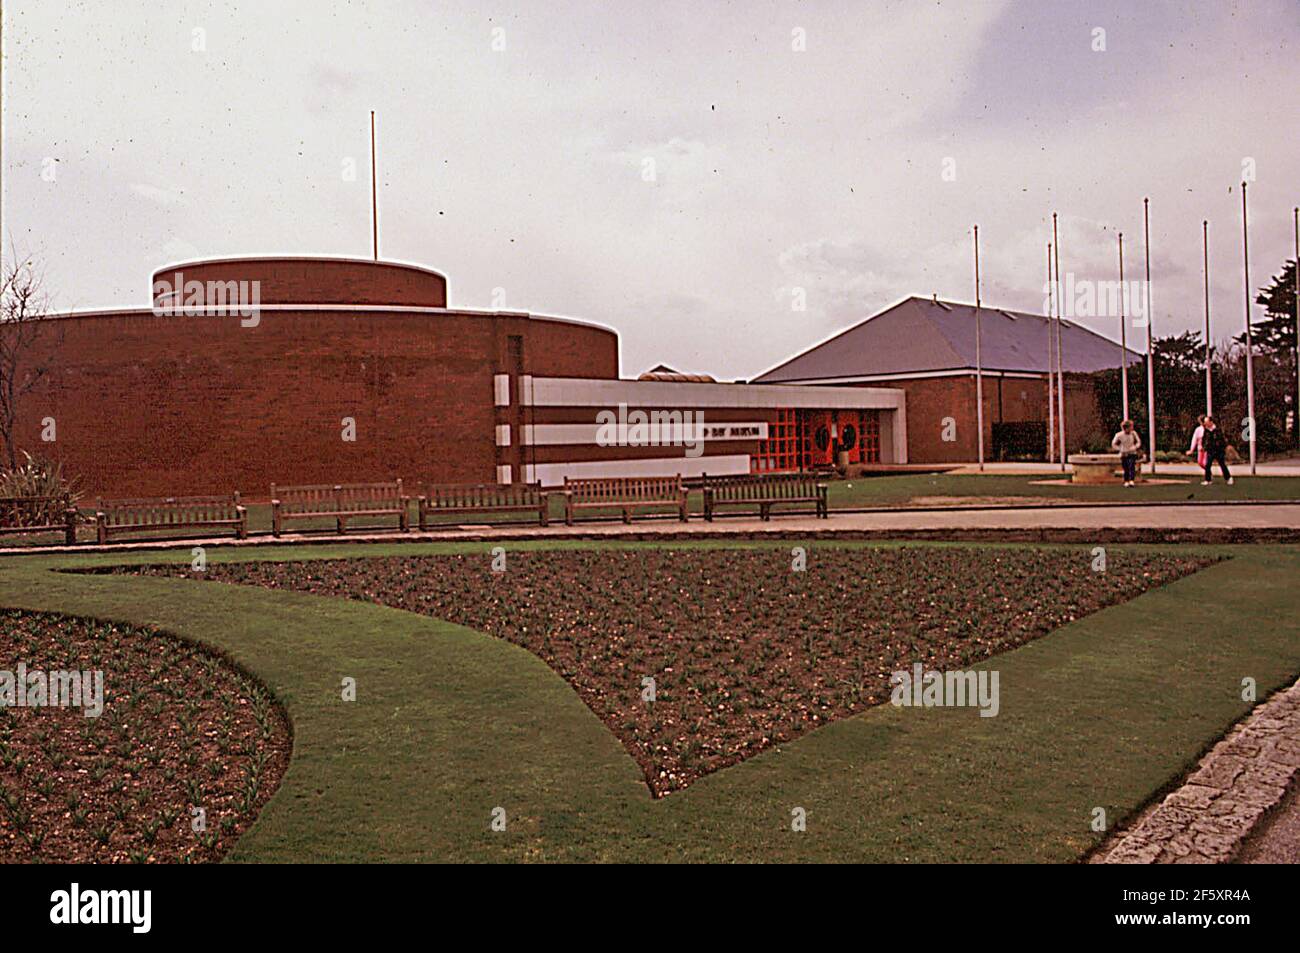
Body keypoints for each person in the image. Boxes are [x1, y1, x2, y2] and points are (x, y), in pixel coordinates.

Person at [1200, 415, 1233, 485]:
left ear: (1211, 422)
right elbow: (1204, 439)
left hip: (1218, 450)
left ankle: (1229, 478)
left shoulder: (1217, 430)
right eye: (1205, 422)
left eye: (1207, 422)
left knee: (1222, 464)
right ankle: (1208, 480)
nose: (1205, 423)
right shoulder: (1206, 431)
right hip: (1210, 450)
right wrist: (1204, 446)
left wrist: (1222, 447)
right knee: (1207, 465)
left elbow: (1222, 440)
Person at [1111, 419, 1142, 487]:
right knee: (1126, 467)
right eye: (1130, 427)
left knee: (1131, 466)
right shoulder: (1119, 435)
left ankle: (1131, 480)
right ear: (1126, 428)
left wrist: (1135, 447)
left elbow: (1138, 442)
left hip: (1132, 452)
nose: (1131, 428)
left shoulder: (1133, 433)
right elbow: (1113, 444)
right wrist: (1120, 449)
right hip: (1124, 453)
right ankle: (1126, 481)